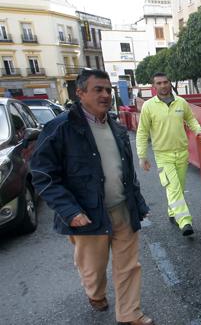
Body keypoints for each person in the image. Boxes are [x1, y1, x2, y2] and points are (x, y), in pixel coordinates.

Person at [30, 70, 154, 325]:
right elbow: (42, 174)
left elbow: (126, 173)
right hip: (86, 214)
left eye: (108, 90)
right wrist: (70, 211)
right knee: (94, 270)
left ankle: (129, 313)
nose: (106, 95)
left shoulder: (116, 128)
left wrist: (138, 203)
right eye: (98, 89)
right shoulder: (61, 128)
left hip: (122, 208)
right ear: (80, 93)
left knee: (129, 266)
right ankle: (94, 293)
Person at [136, 72, 201, 236]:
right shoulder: (149, 106)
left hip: (181, 153)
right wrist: (142, 156)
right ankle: (184, 221)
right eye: (159, 83)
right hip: (163, 155)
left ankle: (173, 211)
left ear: (170, 83)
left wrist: (199, 132)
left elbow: (191, 119)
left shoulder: (181, 102)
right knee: (173, 187)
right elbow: (142, 132)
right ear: (154, 86)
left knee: (178, 186)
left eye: (165, 82)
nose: (163, 85)